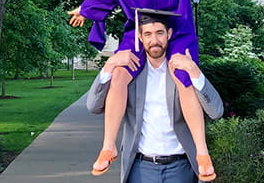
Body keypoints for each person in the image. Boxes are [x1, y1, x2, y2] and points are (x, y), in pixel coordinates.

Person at [69, 0, 247, 180]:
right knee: (119, 74)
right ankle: (108, 146)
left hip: (176, 28)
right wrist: (85, 10)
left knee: (184, 78)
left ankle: (201, 152)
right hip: (139, 29)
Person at [86, 12, 224, 183]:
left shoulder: (181, 69)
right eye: (148, 34)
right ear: (140, 37)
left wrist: (195, 71)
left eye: (159, 33)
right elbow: (93, 106)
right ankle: (108, 148)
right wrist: (109, 65)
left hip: (180, 167)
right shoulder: (130, 73)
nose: (154, 40)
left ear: (169, 34)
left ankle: (203, 154)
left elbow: (216, 111)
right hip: (140, 167)